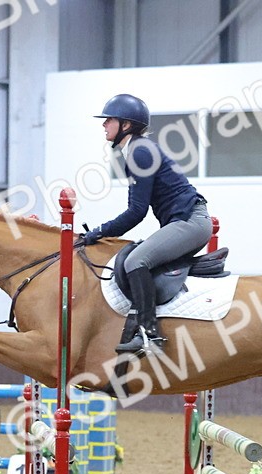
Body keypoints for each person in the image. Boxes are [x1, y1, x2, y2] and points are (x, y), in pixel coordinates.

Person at [82, 94, 211, 354]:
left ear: (126, 125)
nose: (104, 125)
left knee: (135, 261)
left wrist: (99, 232)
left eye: (110, 120)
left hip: (190, 222)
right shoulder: (139, 150)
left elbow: (136, 212)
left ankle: (149, 335)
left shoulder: (140, 152)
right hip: (185, 221)